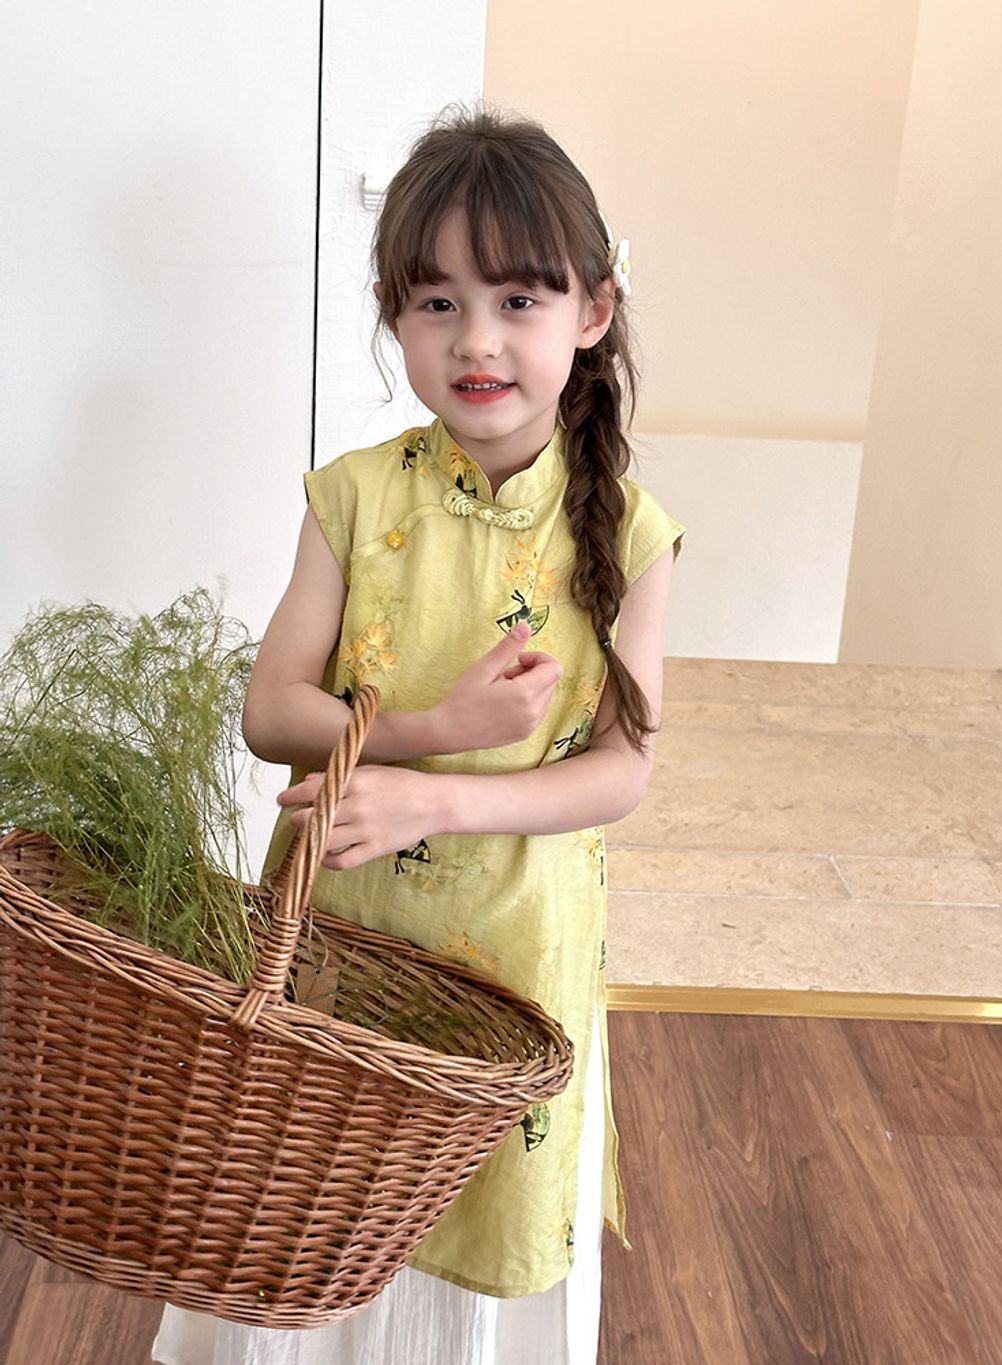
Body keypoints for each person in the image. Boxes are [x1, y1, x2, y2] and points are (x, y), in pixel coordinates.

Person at [151, 101, 685, 1365]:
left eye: (517, 299)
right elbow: (271, 709)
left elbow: (622, 772)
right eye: (436, 301)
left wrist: (439, 797)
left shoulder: (630, 533)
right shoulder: (353, 495)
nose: (476, 339)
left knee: (467, 1219)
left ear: (592, 312)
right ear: (395, 317)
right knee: (309, 1199)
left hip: (515, 953)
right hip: (345, 932)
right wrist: (437, 727)